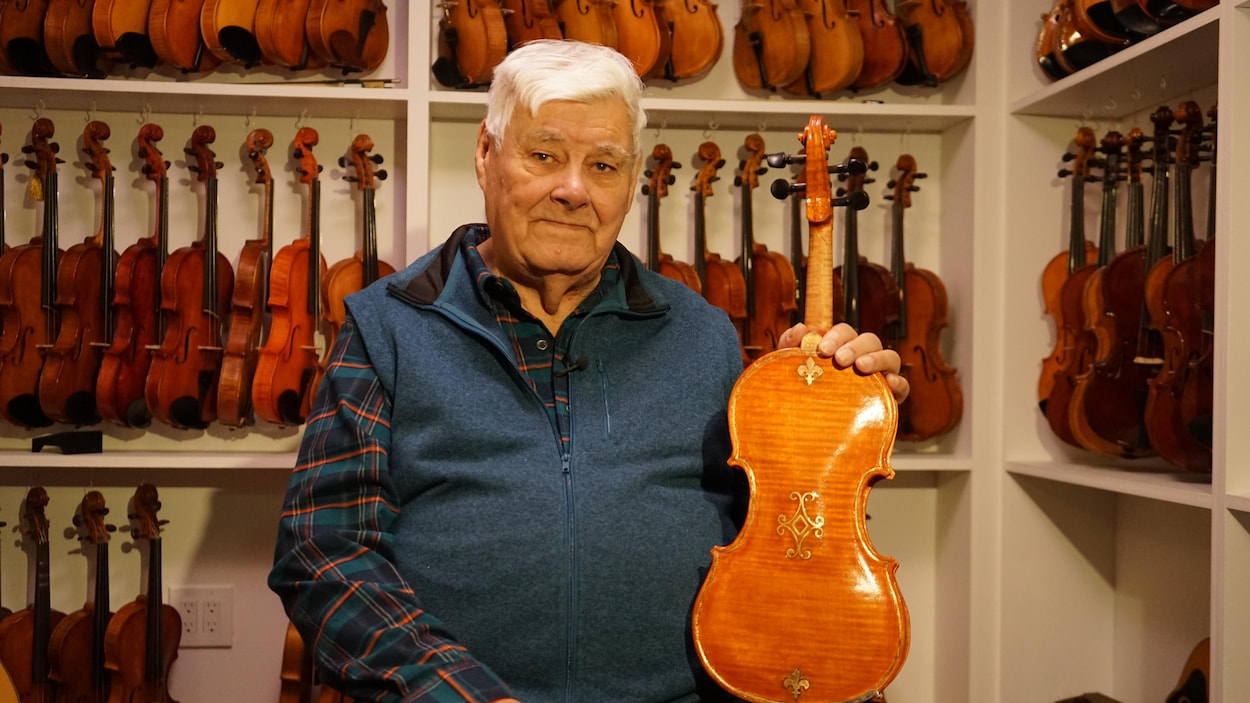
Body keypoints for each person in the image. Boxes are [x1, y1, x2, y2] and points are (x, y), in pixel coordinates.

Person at [269, 39, 909, 703]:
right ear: (487, 157)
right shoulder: (388, 327)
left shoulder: (702, 333)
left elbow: (783, 552)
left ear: (631, 185)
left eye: (603, 165)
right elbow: (324, 554)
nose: (572, 189)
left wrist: (829, 435)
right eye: (544, 154)